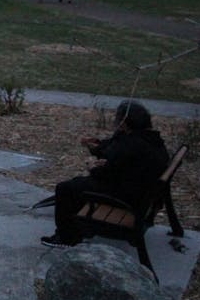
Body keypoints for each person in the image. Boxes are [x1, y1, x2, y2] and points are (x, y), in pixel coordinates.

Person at [41, 102, 169, 247]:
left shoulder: (132, 145)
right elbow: (117, 159)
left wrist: (93, 167)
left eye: (119, 121)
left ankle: (66, 238)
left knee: (65, 189)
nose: (118, 125)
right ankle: (75, 229)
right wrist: (99, 151)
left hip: (127, 200)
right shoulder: (151, 140)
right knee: (77, 183)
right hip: (139, 195)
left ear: (126, 123)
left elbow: (106, 174)